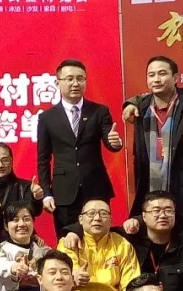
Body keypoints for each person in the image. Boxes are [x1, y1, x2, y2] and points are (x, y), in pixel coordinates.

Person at [123, 56, 183, 216]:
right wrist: (130, 103)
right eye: (151, 75)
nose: (156, 79)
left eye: (162, 74)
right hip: (152, 191)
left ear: (175, 78)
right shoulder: (142, 108)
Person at [36, 59, 123, 235]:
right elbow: (43, 159)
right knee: (67, 240)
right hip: (64, 191)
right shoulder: (47, 117)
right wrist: (46, 193)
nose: (75, 83)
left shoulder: (99, 111)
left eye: (80, 78)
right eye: (69, 79)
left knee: (99, 238)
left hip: (95, 188)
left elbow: (110, 140)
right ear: (58, 82)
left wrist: (116, 143)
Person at [57, 199, 140, 291]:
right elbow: (60, 279)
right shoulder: (68, 243)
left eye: (103, 214)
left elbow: (129, 285)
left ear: (111, 220)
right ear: (80, 219)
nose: (97, 218)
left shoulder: (123, 245)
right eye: (91, 213)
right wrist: (73, 279)